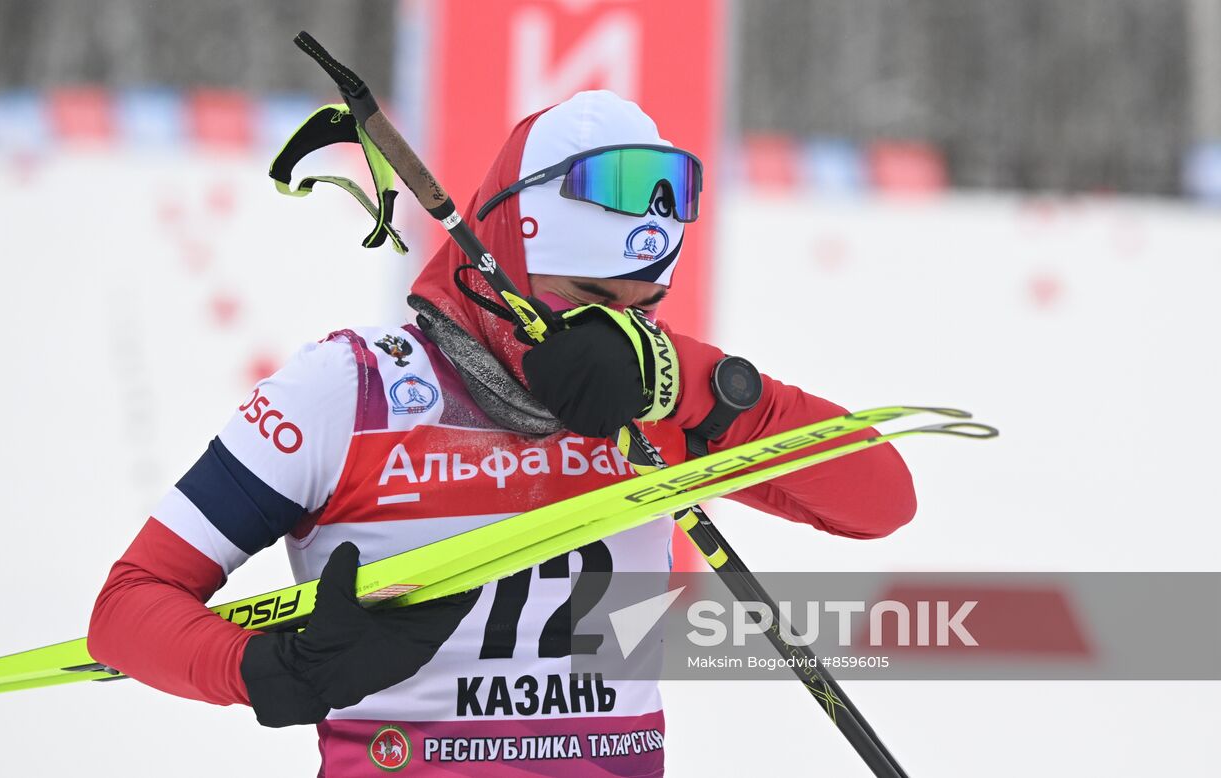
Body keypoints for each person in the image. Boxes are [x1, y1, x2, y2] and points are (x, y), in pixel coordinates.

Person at [87, 90, 916, 776]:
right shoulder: (348, 394)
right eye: (586, 297)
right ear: (507, 268)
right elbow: (128, 609)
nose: (610, 339)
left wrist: (687, 380)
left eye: (639, 311)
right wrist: (266, 671)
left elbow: (879, 497)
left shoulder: (650, 400)